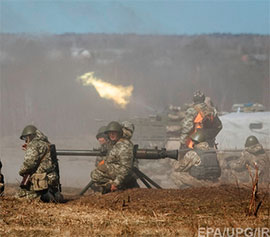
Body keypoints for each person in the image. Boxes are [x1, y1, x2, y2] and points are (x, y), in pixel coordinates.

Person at [16, 125, 63, 202]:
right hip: (52, 180)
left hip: (41, 182)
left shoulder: (33, 145)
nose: (25, 141)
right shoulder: (47, 144)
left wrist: (21, 172)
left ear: (29, 136)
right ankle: (52, 194)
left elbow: (29, 164)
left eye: (25, 138)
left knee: (19, 197)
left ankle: (44, 197)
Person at [90, 121, 134, 194]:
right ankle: (109, 187)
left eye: (114, 133)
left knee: (95, 174)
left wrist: (116, 183)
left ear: (119, 133)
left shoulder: (123, 146)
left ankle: (116, 187)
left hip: (121, 174)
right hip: (116, 172)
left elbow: (126, 167)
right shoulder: (116, 144)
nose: (112, 135)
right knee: (96, 172)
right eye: (110, 133)